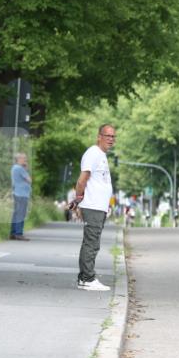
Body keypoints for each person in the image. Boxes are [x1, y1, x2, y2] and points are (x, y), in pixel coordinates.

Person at [72, 124, 115, 291]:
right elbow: (82, 179)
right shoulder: (93, 153)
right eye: (107, 136)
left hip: (99, 206)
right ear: (99, 136)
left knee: (92, 242)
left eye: (113, 136)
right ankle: (88, 278)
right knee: (91, 243)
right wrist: (78, 199)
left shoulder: (101, 155)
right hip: (93, 206)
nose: (110, 139)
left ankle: (84, 278)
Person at [9, 153, 32, 241]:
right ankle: (18, 233)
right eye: (24, 158)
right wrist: (26, 168)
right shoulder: (20, 168)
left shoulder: (14, 168)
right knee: (21, 214)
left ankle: (13, 233)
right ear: (19, 159)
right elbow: (29, 180)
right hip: (21, 194)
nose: (25, 160)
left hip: (17, 193)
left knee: (16, 213)